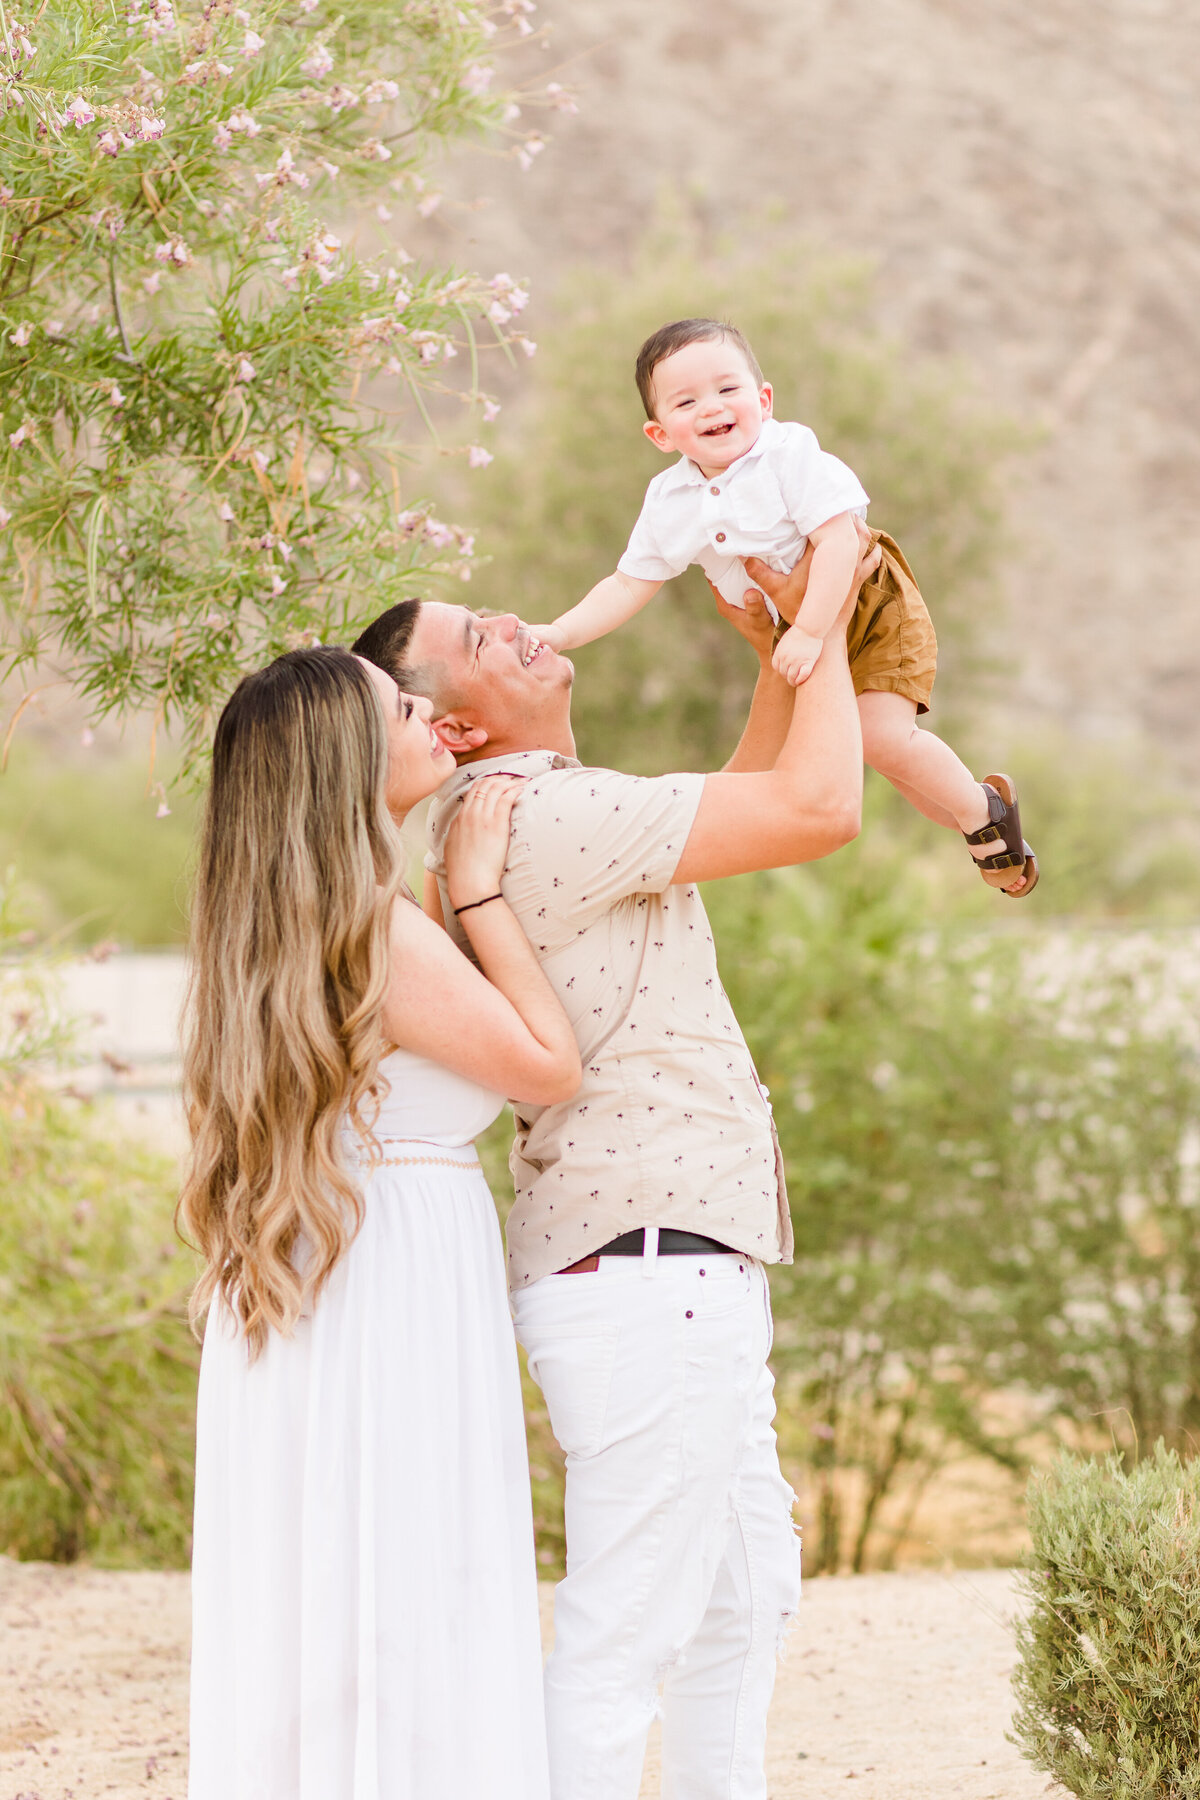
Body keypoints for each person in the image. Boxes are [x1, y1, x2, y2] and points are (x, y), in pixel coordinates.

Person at [351, 537, 872, 1800]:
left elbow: (750, 786)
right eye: (481, 640)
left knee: (741, 1604)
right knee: (623, 1629)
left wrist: (784, 650)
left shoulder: (537, 813)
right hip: (651, 1277)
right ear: (460, 731)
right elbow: (820, 808)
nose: (522, 623)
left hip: (655, 1270)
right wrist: (836, 621)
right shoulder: (551, 813)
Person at [180, 646, 581, 1800]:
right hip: (389, 1274)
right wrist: (484, 892)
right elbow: (546, 1067)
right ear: (347, 760)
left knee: (330, 1585)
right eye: (405, 707)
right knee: (407, 1577)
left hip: (328, 1263)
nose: (434, 716)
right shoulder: (376, 925)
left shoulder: (270, 923)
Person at [533, 315, 1038, 898]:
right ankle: (977, 814)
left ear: (763, 399)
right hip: (795, 630)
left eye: (728, 389)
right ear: (661, 434)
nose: (711, 407)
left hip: (864, 602)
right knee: (867, 749)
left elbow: (839, 542)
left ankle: (985, 812)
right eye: (686, 400)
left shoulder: (788, 454)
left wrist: (810, 631)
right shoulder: (670, 499)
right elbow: (627, 584)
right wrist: (562, 631)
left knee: (876, 737)